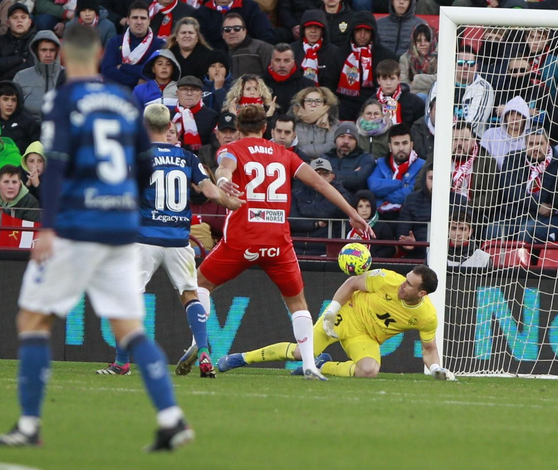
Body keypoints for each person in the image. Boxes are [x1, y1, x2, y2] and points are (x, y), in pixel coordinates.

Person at [0, 23, 193, 452]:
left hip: (78, 226)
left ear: (64, 56)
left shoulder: (62, 99)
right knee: (130, 327)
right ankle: (171, 418)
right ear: (101, 53)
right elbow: (144, 167)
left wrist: (46, 226)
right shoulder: (123, 101)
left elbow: (57, 162)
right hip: (121, 228)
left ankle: (28, 425)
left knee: (32, 320)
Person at [197, 103, 372, 380]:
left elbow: (225, 168)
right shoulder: (284, 154)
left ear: (239, 129)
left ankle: (197, 342)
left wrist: (222, 180)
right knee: (298, 304)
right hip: (277, 242)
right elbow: (321, 184)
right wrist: (352, 213)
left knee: (200, 285)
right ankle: (310, 366)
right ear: (265, 128)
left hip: (243, 239)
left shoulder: (232, 149)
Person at [96, 101, 243, 380]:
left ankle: (122, 363)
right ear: (169, 128)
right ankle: (203, 352)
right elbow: (211, 191)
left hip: (144, 238)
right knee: (190, 295)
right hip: (178, 240)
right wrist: (230, 202)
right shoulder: (187, 157)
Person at [220, 264, 454, 379]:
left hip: (366, 337)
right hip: (345, 316)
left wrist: (435, 368)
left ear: (422, 293)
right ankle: (239, 358)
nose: (403, 284)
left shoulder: (426, 316)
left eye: (410, 285)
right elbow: (352, 282)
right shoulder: (387, 279)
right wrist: (332, 310)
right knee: (300, 354)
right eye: (406, 279)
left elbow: (429, 348)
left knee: (369, 371)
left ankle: (322, 366)